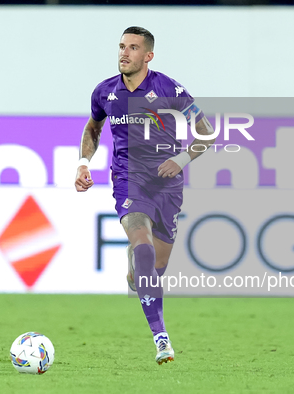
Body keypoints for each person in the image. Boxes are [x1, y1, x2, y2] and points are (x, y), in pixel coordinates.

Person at [75, 26, 215, 364]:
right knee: (142, 243)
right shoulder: (105, 92)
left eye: (133, 48)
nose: (124, 53)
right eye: (122, 46)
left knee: (151, 267)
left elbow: (206, 133)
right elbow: (93, 129)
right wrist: (82, 162)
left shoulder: (169, 88)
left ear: (148, 55)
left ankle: (138, 271)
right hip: (128, 180)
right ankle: (161, 338)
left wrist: (180, 159)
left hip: (167, 186)